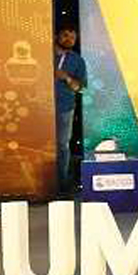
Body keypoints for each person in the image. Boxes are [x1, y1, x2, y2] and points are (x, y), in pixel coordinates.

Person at [53, 25, 87, 194]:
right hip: (39, 106)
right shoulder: (44, 54)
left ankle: (62, 184)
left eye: (73, 37)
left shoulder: (77, 60)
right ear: (56, 36)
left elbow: (80, 87)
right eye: (65, 35)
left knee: (62, 145)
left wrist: (66, 77)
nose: (69, 40)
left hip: (64, 108)